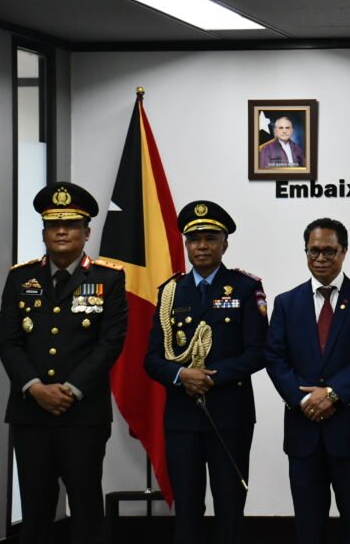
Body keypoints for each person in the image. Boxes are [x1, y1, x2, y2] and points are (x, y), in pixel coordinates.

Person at [0, 181, 128, 544]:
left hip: (83, 414)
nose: (62, 231)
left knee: (86, 509)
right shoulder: (20, 278)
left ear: (87, 233)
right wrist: (35, 387)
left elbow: (110, 342)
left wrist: (70, 389)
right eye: (54, 225)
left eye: (71, 224)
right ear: (44, 232)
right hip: (31, 413)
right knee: (35, 512)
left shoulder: (108, 278)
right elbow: (8, 340)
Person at [144, 200, 268, 544]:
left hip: (230, 416)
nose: (202, 246)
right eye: (194, 239)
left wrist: (210, 377)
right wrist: (181, 376)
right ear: (186, 244)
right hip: (182, 418)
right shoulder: (170, 292)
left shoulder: (245, 288)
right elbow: (152, 359)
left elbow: (259, 351)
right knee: (187, 509)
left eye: (211, 238)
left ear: (225, 244)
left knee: (230, 507)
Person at [264, 218, 350, 544]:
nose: (320, 258)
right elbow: (275, 357)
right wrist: (304, 398)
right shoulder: (286, 303)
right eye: (313, 251)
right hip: (303, 432)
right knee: (308, 526)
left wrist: (332, 394)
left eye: (329, 251)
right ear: (305, 251)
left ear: (344, 251)